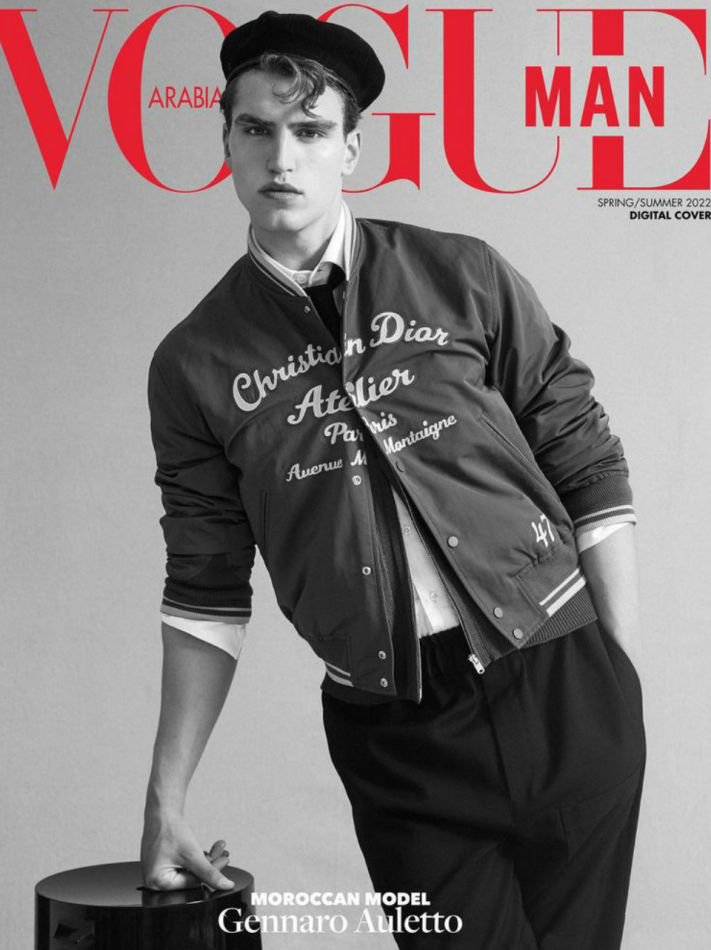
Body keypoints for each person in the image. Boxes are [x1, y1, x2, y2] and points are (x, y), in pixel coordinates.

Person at [141, 11, 645, 949]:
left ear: (351, 147)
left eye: (310, 130)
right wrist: (165, 798)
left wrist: (614, 676)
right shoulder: (194, 363)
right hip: (398, 734)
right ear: (227, 142)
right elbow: (204, 586)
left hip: (561, 682)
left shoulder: (461, 273)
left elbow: (584, 456)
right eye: (256, 129)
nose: (281, 157)